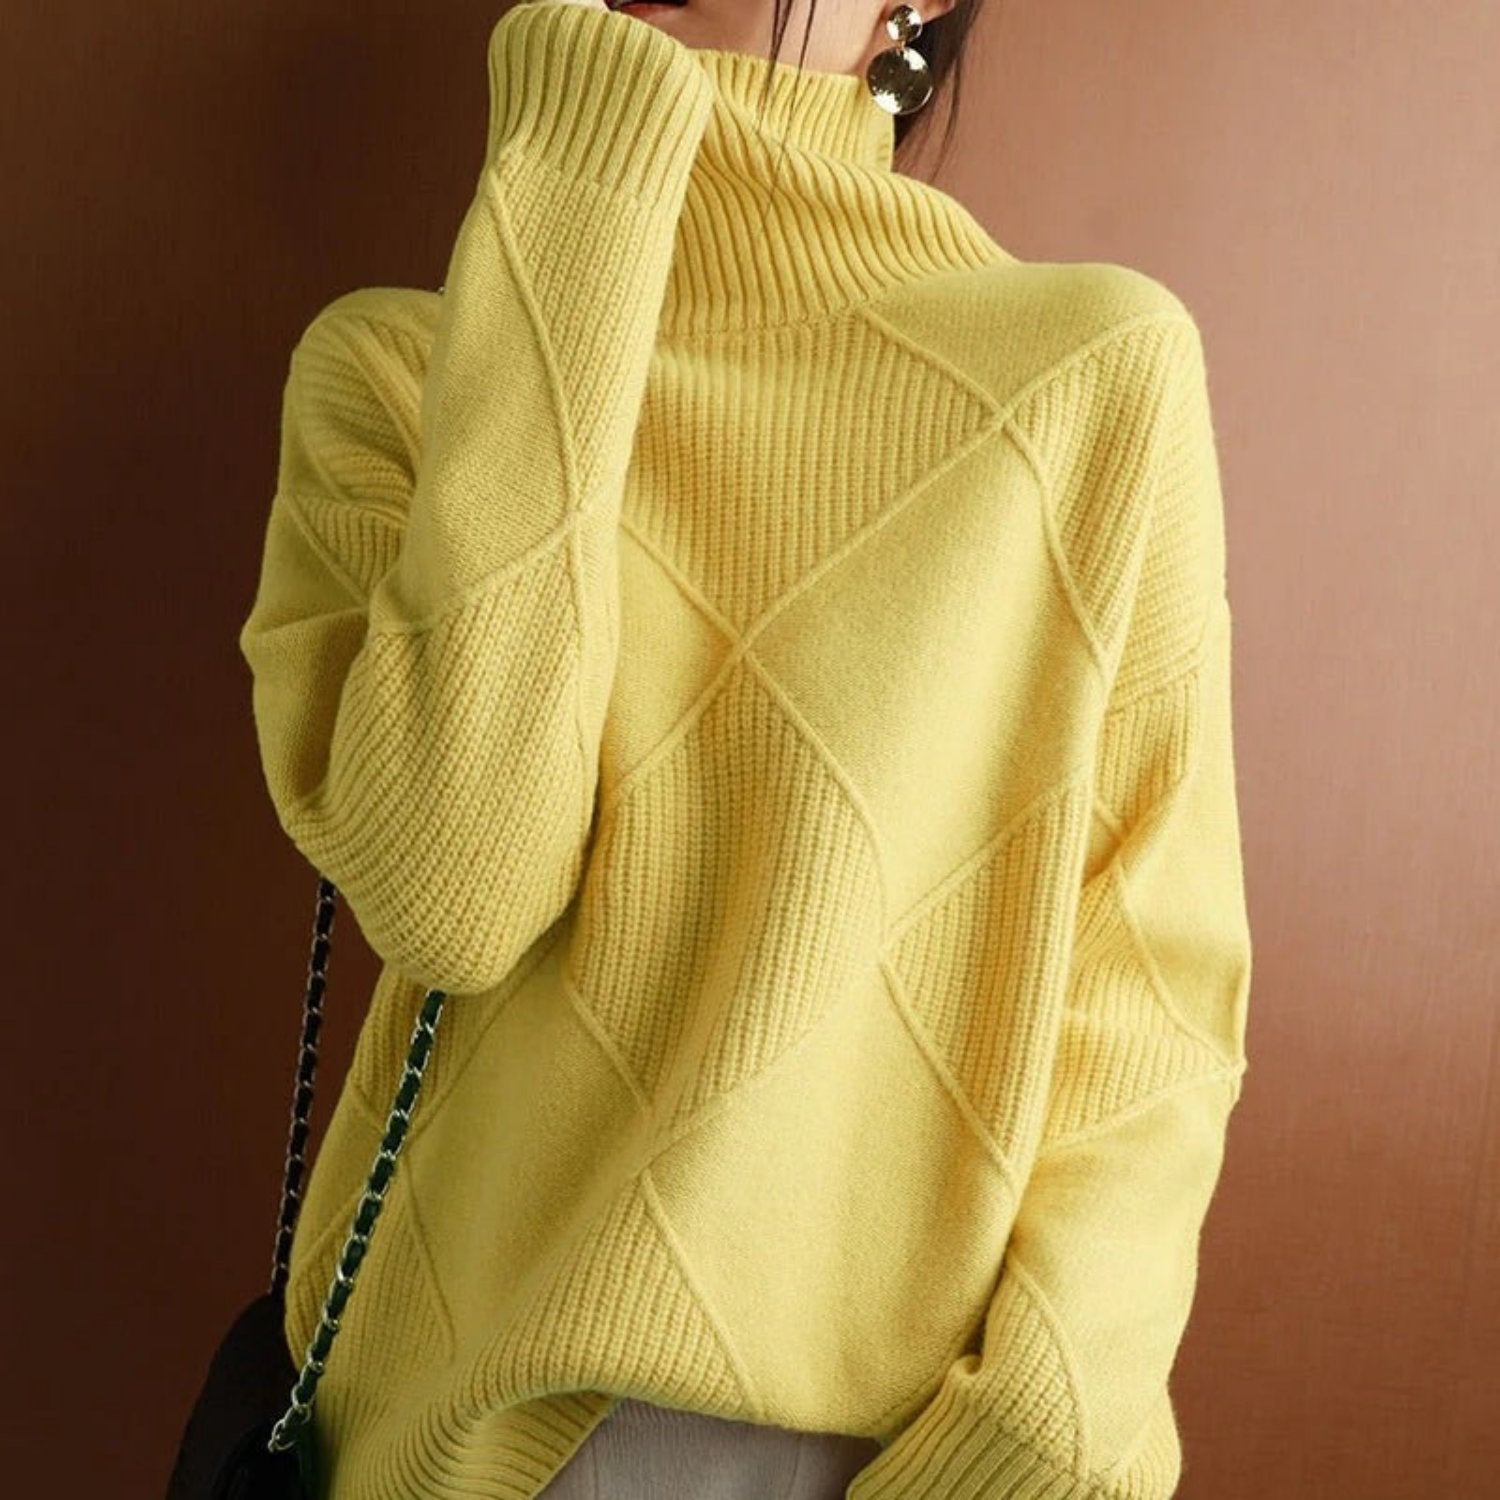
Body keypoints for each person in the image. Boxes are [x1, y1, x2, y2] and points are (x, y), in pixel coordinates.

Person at [235, 0, 1253, 1495]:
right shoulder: (395, 372)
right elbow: (457, 890)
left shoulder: (1091, 380)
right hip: (455, 1430)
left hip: (864, 1446)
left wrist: (1048, 1428)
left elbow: (1152, 996)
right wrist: (583, 152)